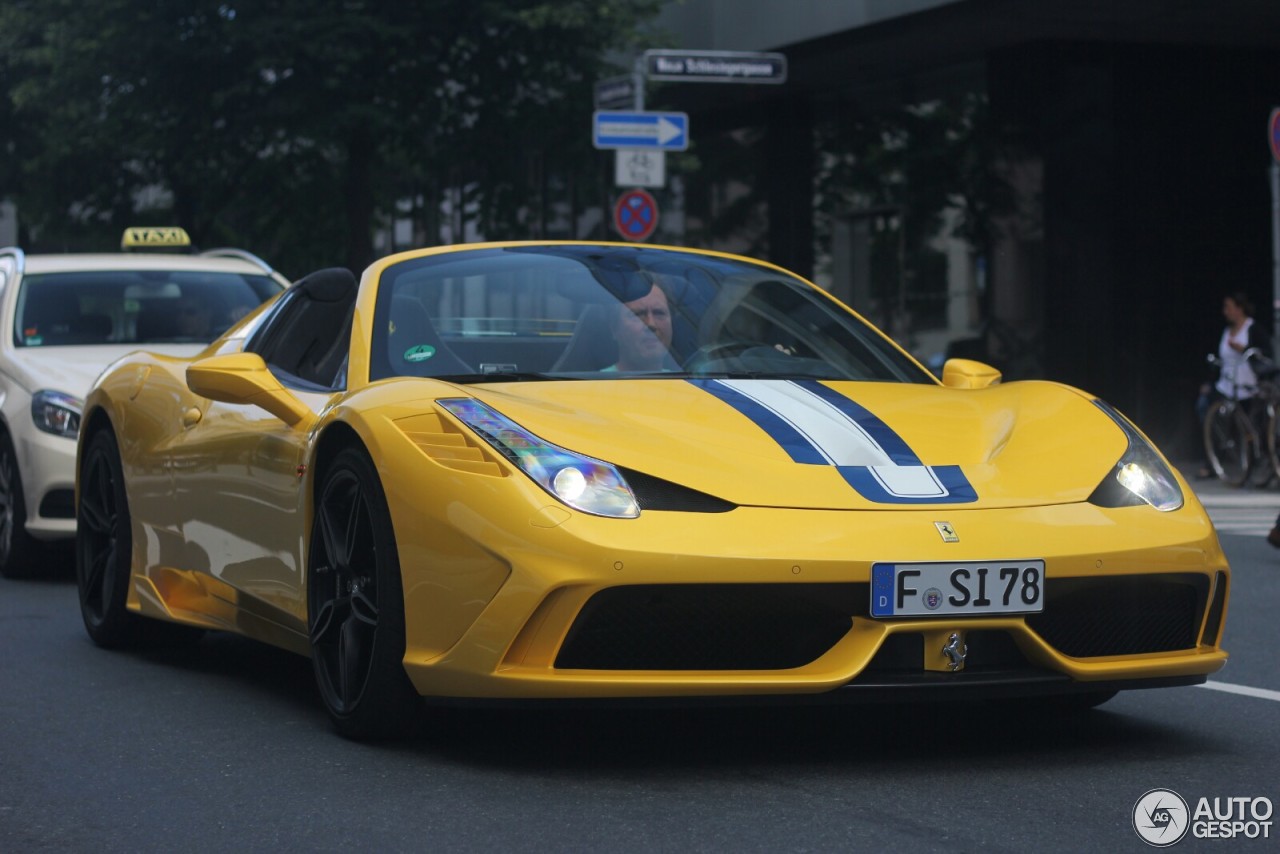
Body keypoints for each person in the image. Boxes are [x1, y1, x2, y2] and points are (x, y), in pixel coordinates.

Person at [1196, 291, 1269, 478]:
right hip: (1226, 385)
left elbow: (1265, 354)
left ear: (1239, 308)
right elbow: (1220, 360)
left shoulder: (1253, 328)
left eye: (1229, 307)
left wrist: (1243, 349)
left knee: (1250, 426)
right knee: (1208, 412)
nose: (1225, 311)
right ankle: (1213, 461)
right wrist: (1209, 382)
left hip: (1248, 386)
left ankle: (1255, 463)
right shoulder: (1226, 332)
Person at [603, 282, 674, 372]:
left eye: (659, 313)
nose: (651, 324)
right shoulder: (592, 385)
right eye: (638, 315)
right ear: (614, 328)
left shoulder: (689, 384)